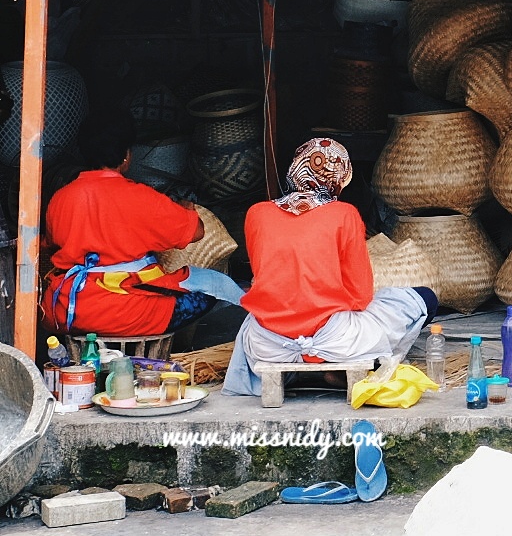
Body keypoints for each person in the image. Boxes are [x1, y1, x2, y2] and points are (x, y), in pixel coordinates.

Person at [224, 138, 435, 396]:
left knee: (252, 320)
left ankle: (301, 370)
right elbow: (360, 297)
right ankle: (328, 366)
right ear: (340, 178)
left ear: (295, 169)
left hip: (267, 344)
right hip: (336, 341)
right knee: (424, 299)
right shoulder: (344, 214)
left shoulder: (257, 213)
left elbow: (265, 279)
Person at [44, 111, 245, 337]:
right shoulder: (141, 197)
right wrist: (186, 209)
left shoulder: (60, 199)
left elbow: (51, 243)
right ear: (127, 156)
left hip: (67, 311)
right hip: (126, 314)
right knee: (213, 287)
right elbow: (196, 232)